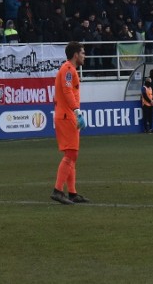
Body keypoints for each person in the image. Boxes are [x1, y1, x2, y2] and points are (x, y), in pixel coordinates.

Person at [50, 41, 89, 205]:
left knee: (72, 154)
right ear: (75, 55)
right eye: (83, 53)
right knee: (71, 154)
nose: (84, 56)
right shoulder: (68, 70)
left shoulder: (69, 69)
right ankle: (58, 190)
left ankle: (72, 193)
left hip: (67, 115)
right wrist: (76, 111)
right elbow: (66, 91)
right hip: (67, 116)